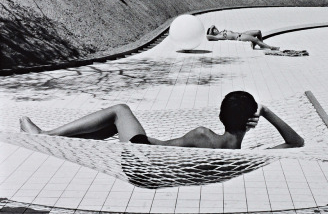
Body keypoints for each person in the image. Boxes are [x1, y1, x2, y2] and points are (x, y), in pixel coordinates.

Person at [19, 91, 304, 150]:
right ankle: (51, 141)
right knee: (108, 129)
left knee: (120, 109)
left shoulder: (204, 135)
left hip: (144, 159)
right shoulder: (243, 157)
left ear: (221, 116)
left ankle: (45, 137)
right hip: (150, 163)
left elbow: (161, 149)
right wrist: (265, 112)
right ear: (249, 122)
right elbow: (296, 142)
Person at [206, 25, 279, 50]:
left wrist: (212, 28)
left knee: (258, 32)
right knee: (256, 39)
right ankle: (271, 47)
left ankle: (262, 45)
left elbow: (213, 25)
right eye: (214, 30)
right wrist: (211, 30)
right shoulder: (218, 37)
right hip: (239, 37)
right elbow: (208, 37)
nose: (216, 29)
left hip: (241, 33)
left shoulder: (221, 32)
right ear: (213, 33)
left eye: (215, 28)